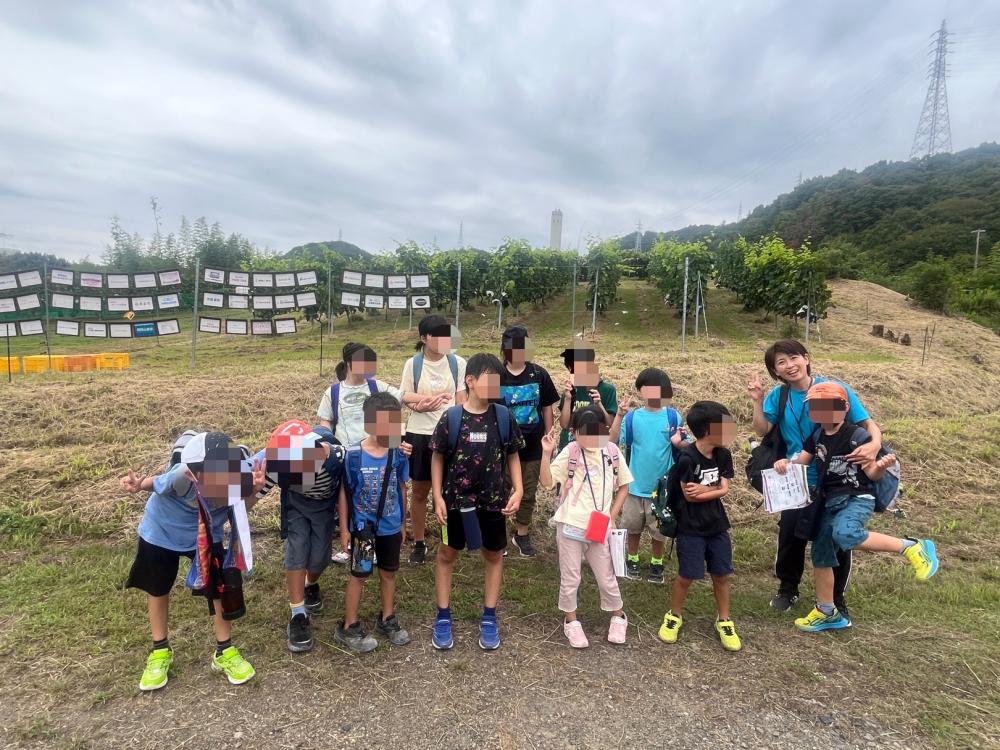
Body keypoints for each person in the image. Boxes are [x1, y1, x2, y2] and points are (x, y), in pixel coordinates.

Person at [774, 381, 939, 632]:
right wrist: (785, 463)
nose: (823, 412)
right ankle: (827, 612)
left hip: (856, 498)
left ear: (845, 407)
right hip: (828, 501)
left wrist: (881, 466)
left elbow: (871, 473)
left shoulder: (856, 435)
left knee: (846, 533)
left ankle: (913, 547)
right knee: (821, 555)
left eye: (831, 406)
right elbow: (801, 462)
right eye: (816, 407)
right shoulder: (816, 436)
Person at [748, 339, 884, 623]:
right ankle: (788, 588)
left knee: (835, 540)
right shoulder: (779, 396)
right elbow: (763, 429)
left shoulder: (835, 389)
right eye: (781, 363)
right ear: (776, 371)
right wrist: (758, 402)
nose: (789, 365)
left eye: (793, 357)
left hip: (836, 480)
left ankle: (835, 599)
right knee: (790, 536)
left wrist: (874, 445)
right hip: (797, 478)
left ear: (806, 358)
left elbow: (867, 423)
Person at [121, 431, 266, 690]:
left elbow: (244, 506)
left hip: (205, 535)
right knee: (158, 589)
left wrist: (254, 490)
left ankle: (224, 651)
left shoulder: (239, 474)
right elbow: (156, 483)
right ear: (192, 473)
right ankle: (160, 650)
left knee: (219, 589)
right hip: (161, 532)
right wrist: (138, 485)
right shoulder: (180, 476)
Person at [429, 353, 524, 651]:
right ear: (470, 381)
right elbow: (437, 456)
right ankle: (443, 615)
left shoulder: (503, 417)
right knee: (447, 554)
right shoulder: (452, 417)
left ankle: (489, 616)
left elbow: (512, 454)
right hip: (456, 502)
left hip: (493, 502)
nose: (495, 384)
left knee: (494, 555)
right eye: (488, 379)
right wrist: (437, 496)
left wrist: (518, 489)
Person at [317, 341, 430, 564]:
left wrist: (428, 400)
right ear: (349, 363)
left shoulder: (376, 386)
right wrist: (327, 447)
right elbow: (325, 424)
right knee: (348, 498)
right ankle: (352, 542)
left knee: (375, 496)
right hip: (349, 457)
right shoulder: (333, 392)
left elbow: (403, 397)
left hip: (377, 453)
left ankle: (376, 543)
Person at [540, 405, 631, 647]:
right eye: (585, 432)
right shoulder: (570, 451)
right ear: (574, 432)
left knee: (606, 576)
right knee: (571, 577)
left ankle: (619, 616)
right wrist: (545, 453)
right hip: (570, 525)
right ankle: (571, 621)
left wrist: (612, 515)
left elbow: (624, 485)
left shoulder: (611, 451)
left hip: (600, 526)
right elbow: (547, 482)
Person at [657, 402, 742, 652]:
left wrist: (708, 490)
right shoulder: (687, 458)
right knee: (687, 575)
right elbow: (690, 496)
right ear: (707, 430)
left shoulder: (723, 454)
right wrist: (714, 491)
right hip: (690, 527)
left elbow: (724, 489)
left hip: (717, 525)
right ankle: (674, 615)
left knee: (722, 574)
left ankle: (724, 620)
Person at [254, 420, 345, 654]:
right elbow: (249, 500)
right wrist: (253, 489)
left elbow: (348, 490)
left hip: (323, 508)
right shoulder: (275, 466)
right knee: (297, 549)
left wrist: (346, 528)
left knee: (319, 560)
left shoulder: (335, 457)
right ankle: (298, 614)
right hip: (296, 506)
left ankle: (310, 583)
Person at [337, 393, 414, 652]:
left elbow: (402, 488)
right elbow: (345, 493)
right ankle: (350, 625)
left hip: (390, 527)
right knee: (359, 575)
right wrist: (345, 529)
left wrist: (403, 524)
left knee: (389, 573)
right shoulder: (354, 456)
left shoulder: (399, 454)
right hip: (363, 530)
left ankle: (387, 618)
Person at [400, 315, 467, 564]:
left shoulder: (457, 362)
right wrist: (421, 404)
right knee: (419, 491)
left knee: (449, 491)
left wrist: (461, 427)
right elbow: (405, 395)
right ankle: (419, 541)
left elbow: (462, 397)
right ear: (424, 338)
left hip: (450, 433)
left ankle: (447, 538)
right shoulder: (413, 364)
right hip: (420, 433)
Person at [610, 367, 684, 583]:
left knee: (659, 530)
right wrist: (619, 414)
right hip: (633, 486)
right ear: (640, 391)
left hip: (661, 489)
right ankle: (631, 559)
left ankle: (656, 563)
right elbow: (613, 441)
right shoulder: (632, 418)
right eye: (646, 389)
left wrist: (682, 443)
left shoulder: (673, 416)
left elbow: (682, 444)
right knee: (632, 527)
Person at [498, 325, 559, 557]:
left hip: (532, 445)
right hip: (503, 446)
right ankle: (499, 534)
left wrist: (549, 435)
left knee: (529, 491)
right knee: (501, 489)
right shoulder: (496, 375)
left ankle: (521, 533)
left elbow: (546, 407)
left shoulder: (539, 374)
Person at [557, 344, 618, 451]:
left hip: (594, 450)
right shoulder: (570, 389)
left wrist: (599, 404)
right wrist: (567, 399)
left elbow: (610, 425)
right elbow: (564, 424)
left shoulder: (606, 389)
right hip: (569, 449)